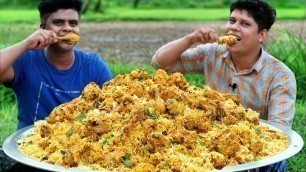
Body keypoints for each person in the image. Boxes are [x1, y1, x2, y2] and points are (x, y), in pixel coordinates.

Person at [151, 0, 296, 171]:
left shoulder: (280, 76)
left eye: (245, 24)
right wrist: (191, 39)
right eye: (232, 21)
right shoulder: (213, 52)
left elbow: (279, 133)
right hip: (209, 144)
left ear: (261, 35)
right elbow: (160, 63)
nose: (234, 27)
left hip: (254, 151)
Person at [0, 0, 112, 171]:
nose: (68, 28)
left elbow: (113, 112)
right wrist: (25, 44)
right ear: (43, 28)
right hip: (31, 155)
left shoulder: (94, 67)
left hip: (81, 159)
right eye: (58, 22)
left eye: (73, 23)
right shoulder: (26, 60)